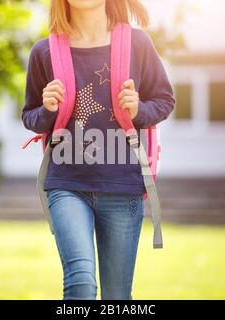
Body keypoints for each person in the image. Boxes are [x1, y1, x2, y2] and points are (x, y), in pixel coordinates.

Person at [21, 0, 175, 300]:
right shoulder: (44, 51)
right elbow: (31, 116)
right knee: (80, 284)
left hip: (123, 186)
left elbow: (164, 101)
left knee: (117, 296)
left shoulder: (138, 43)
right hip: (67, 184)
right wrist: (48, 108)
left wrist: (138, 109)